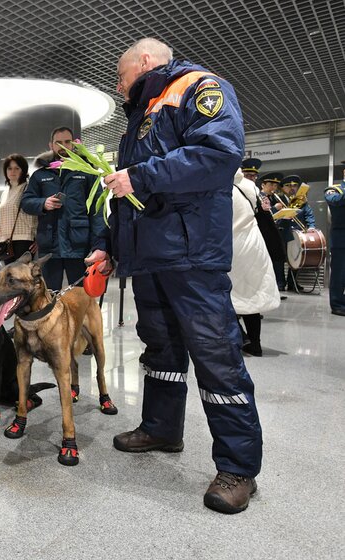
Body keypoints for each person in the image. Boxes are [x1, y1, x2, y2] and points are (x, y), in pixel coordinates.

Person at [88, 38, 263, 514]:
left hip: (191, 254)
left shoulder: (199, 88)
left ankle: (238, 467)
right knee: (160, 350)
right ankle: (162, 428)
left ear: (145, 61)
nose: (118, 84)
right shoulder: (140, 117)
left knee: (215, 355)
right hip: (149, 258)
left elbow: (218, 155)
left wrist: (140, 177)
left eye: (120, 74)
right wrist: (109, 247)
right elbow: (126, 196)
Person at [21, 127, 106, 290]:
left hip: (79, 245)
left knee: (81, 295)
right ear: (51, 145)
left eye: (67, 141)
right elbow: (26, 202)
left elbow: (98, 211)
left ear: (74, 144)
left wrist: (99, 245)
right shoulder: (39, 175)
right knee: (49, 296)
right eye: (58, 142)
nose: (63, 146)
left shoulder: (87, 172)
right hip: (49, 247)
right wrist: (43, 203)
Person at [230, 169, 280, 356]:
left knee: (227, 293)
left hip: (231, 244)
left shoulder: (218, 185)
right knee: (251, 292)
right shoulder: (250, 186)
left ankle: (241, 337)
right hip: (254, 243)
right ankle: (255, 344)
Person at [0, 153, 37, 265]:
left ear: (23, 170)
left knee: (21, 277)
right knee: (10, 278)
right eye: (9, 168)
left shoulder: (28, 188)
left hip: (24, 239)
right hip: (6, 243)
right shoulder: (5, 192)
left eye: (16, 168)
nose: (12, 171)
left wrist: (38, 239)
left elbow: (37, 212)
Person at [280, 174, 317, 292]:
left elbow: (309, 215)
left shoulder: (302, 202)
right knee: (280, 259)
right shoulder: (278, 200)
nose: (292, 188)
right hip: (282, 234)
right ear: (283, 188)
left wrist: (311, 227)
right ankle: (280, 282)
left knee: (296, 258)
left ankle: (292, 283)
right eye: (288, 185)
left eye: (295, 185)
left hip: (297, 235)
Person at [259, 172, 289, 297]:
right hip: (263, 236)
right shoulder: (259, 197)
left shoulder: (273, 198)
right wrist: (276, 209)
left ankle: (273, 290)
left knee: (273, 263)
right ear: (263, 185)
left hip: (272, 236)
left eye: (275, 185)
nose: (273, 188)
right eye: (270, 184)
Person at [326, 165, 345, 316]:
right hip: (340, 239)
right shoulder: (334, 189)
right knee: (339, 273)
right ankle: (337, 304)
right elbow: (335, 201)